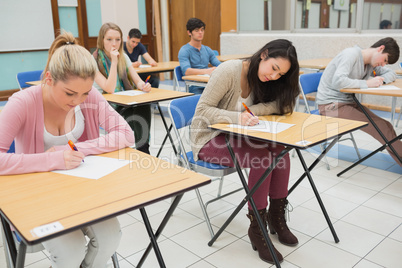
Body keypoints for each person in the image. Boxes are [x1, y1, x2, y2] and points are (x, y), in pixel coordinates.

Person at [0, 32, 134, 267]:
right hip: (37, 194)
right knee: (70, 251)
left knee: (110, 238)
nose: (78, 101)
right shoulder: (22, 102)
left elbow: (126, 134)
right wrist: (52, 159)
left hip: (82, 190)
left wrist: (77, 148)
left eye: (84, 93)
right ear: (50, 79)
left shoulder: (89, 95)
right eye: (70, 93)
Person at [190, 39, 300, 264]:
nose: (274, 76)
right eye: (274, 69)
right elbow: (202, 110)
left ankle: (276, 218)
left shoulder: (262, 78)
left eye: (281, 75)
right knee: (263, 158)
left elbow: (282, 106)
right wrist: (237, 117)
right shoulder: (229, 70)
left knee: (280, 150)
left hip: (235, 135)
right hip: (207, 138)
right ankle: (257, 228)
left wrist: (252, 111)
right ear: (264, 55)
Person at [317, 37, 402, 166]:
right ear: (380, 48)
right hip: (331, 107)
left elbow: (391, 73)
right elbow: (338, 81)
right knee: (382, 128)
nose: (383, 65)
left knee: (386, 126)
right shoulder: (351, 54)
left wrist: (381, 80)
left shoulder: (369, 64)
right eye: (384, 60)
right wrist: (367, 83)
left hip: (348, 103)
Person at [93, 22, 152, 154]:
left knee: (143, 105)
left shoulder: (123, 56)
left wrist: (143, 85)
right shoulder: (93, 60)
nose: (114, 44)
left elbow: (137, 80)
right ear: (101, 40)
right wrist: (114, 62)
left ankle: (143, 149)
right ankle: (130, 149)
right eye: (109, 39)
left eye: (117, 40)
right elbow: (109, 89)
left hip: (123, 101)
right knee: (132, 110)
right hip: (104, 105)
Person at [178, 17, 221, 94]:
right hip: (194, 85)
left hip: (208, 84)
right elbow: (187, 71)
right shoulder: (184, 50)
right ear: (189, 33)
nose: (200, 32)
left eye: (202, 30)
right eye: (197, 30)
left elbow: (219, 64)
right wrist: (207, 71)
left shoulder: (207, 49)